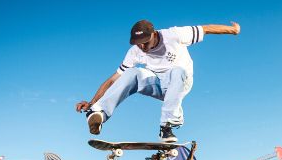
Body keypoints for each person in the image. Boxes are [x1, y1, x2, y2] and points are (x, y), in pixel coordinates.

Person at [76, 20, 241, 142]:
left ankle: (167, 125)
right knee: (133, 73)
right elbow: (113, 80)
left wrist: (233, 30)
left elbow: (206, 29)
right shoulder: (134, 52)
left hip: (181, 81)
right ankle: (99, 113)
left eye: (145, 43)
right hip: (158, 85)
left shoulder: (174, 34)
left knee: (178, 71)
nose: (142, 47)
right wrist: (91, 103)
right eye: (138, 44)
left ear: (154, 34)